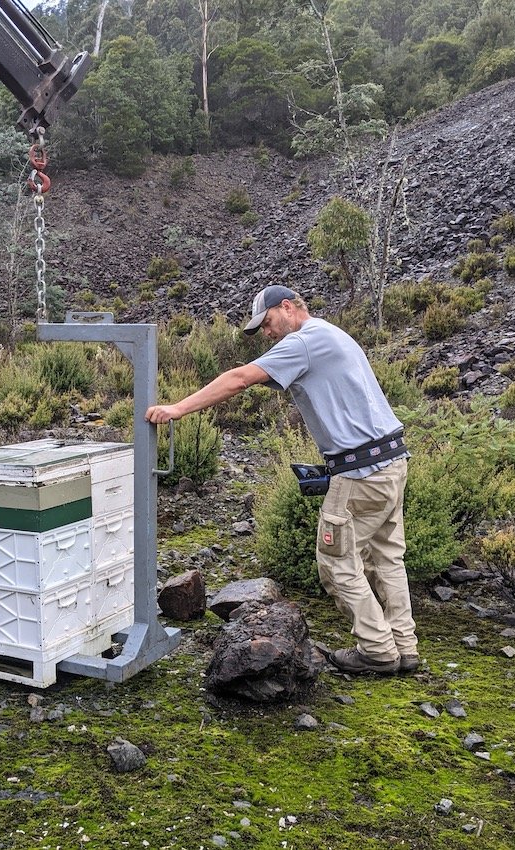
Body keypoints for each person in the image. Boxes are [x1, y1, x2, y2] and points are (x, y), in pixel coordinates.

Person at [145, 284, 418, 675]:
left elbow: (240, 378)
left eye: (268, 323)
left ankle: (377, 649)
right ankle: (404, 647)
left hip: (361, 474)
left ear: (288, 308)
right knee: (386, 557)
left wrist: (178, 408)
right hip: (390, 464)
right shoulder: (331, 334)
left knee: (336, 561)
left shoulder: (306, 341)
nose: (268, 334)